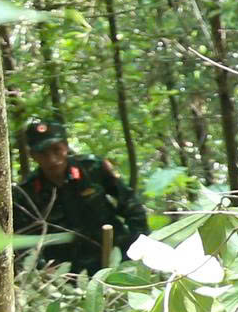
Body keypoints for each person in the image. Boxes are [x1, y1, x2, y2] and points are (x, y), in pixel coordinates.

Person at [13, 117, 149, 274]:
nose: (52, 159)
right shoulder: (27, 192)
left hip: (116, 261)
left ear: (65, 146)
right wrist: (41, 268)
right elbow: (24, 240)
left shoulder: (93, 169)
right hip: (67, 275)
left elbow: (132, 207)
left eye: (56, 149)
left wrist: (139, 247)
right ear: (33, 156)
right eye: (43, 153)